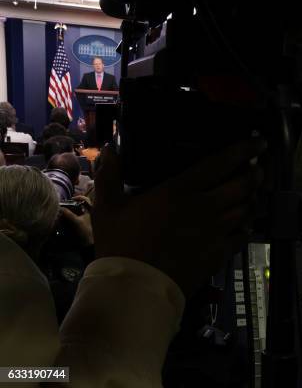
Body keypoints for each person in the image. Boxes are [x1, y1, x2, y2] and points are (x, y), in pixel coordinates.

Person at [0, 137, 265, 386]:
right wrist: (129, 277)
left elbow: (24, 375)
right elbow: (35, 375)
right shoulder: (27, 287)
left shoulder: (25, 294)